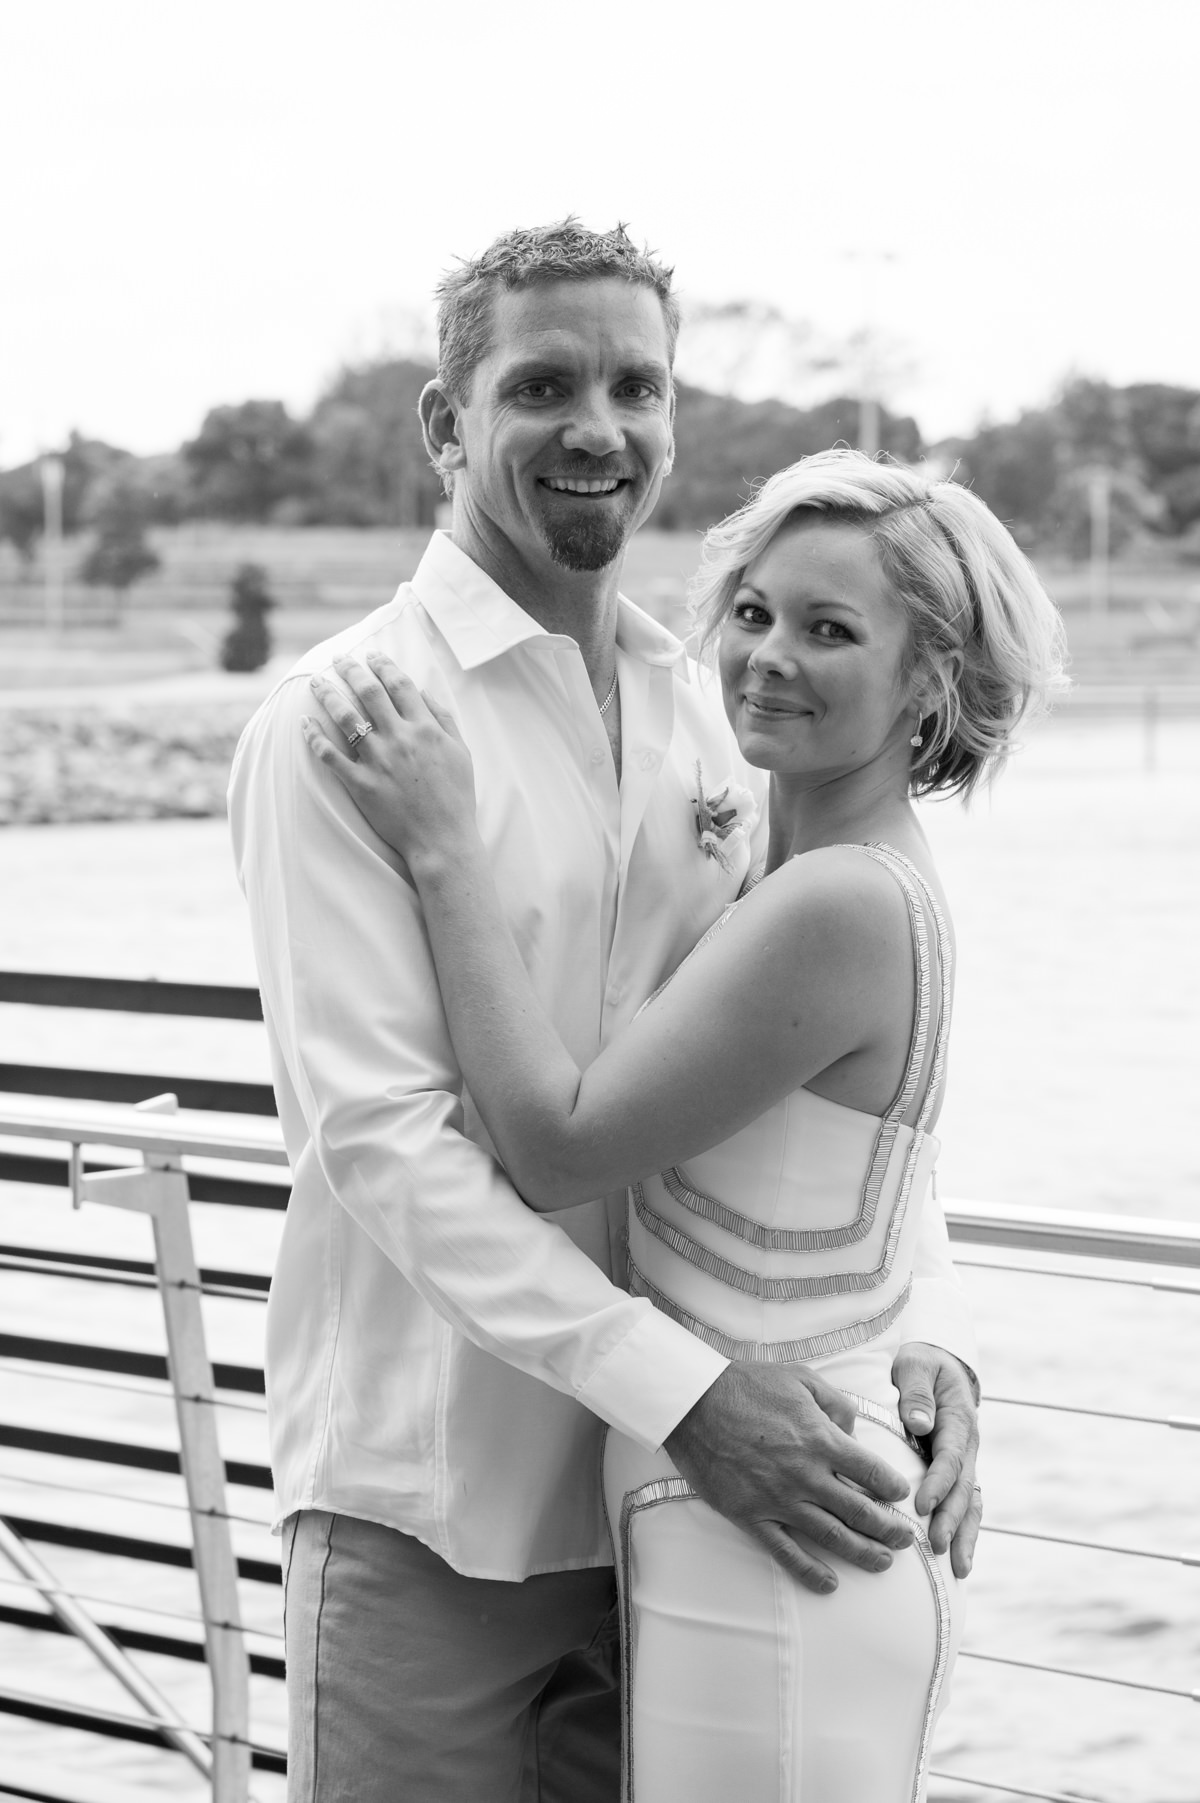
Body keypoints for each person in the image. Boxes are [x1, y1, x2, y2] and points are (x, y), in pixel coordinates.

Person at [229, 222, 983, 1802]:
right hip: (444, 1507)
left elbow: (805, 1093)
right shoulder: (345, 723)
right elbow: (386, 1147)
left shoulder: (712, 717)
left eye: (637, 383)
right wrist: (684, 1392)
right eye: (543, 384)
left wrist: (926, 1344)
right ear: (447, 424)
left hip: (690, 1519)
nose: (599, 427)